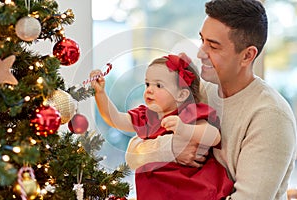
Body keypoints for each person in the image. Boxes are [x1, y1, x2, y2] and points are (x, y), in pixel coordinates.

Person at [125, 0, 297, 199]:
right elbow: (132, 154)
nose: (200, 53)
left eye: (213, 47)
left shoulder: (271, 117)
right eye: (202, 40)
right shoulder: (201, 91)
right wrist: (172, 149)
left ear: (247, 55)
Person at [90, 54, 233, 199]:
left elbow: (214, 136)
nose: (149, 90)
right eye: (147, 84)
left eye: (158, 85)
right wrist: (100, 93)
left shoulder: (188, 112)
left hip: (193, 185)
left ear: (182, 95)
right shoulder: (147, 116)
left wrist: (184, 129)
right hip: (161, 190)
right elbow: (116, 119)